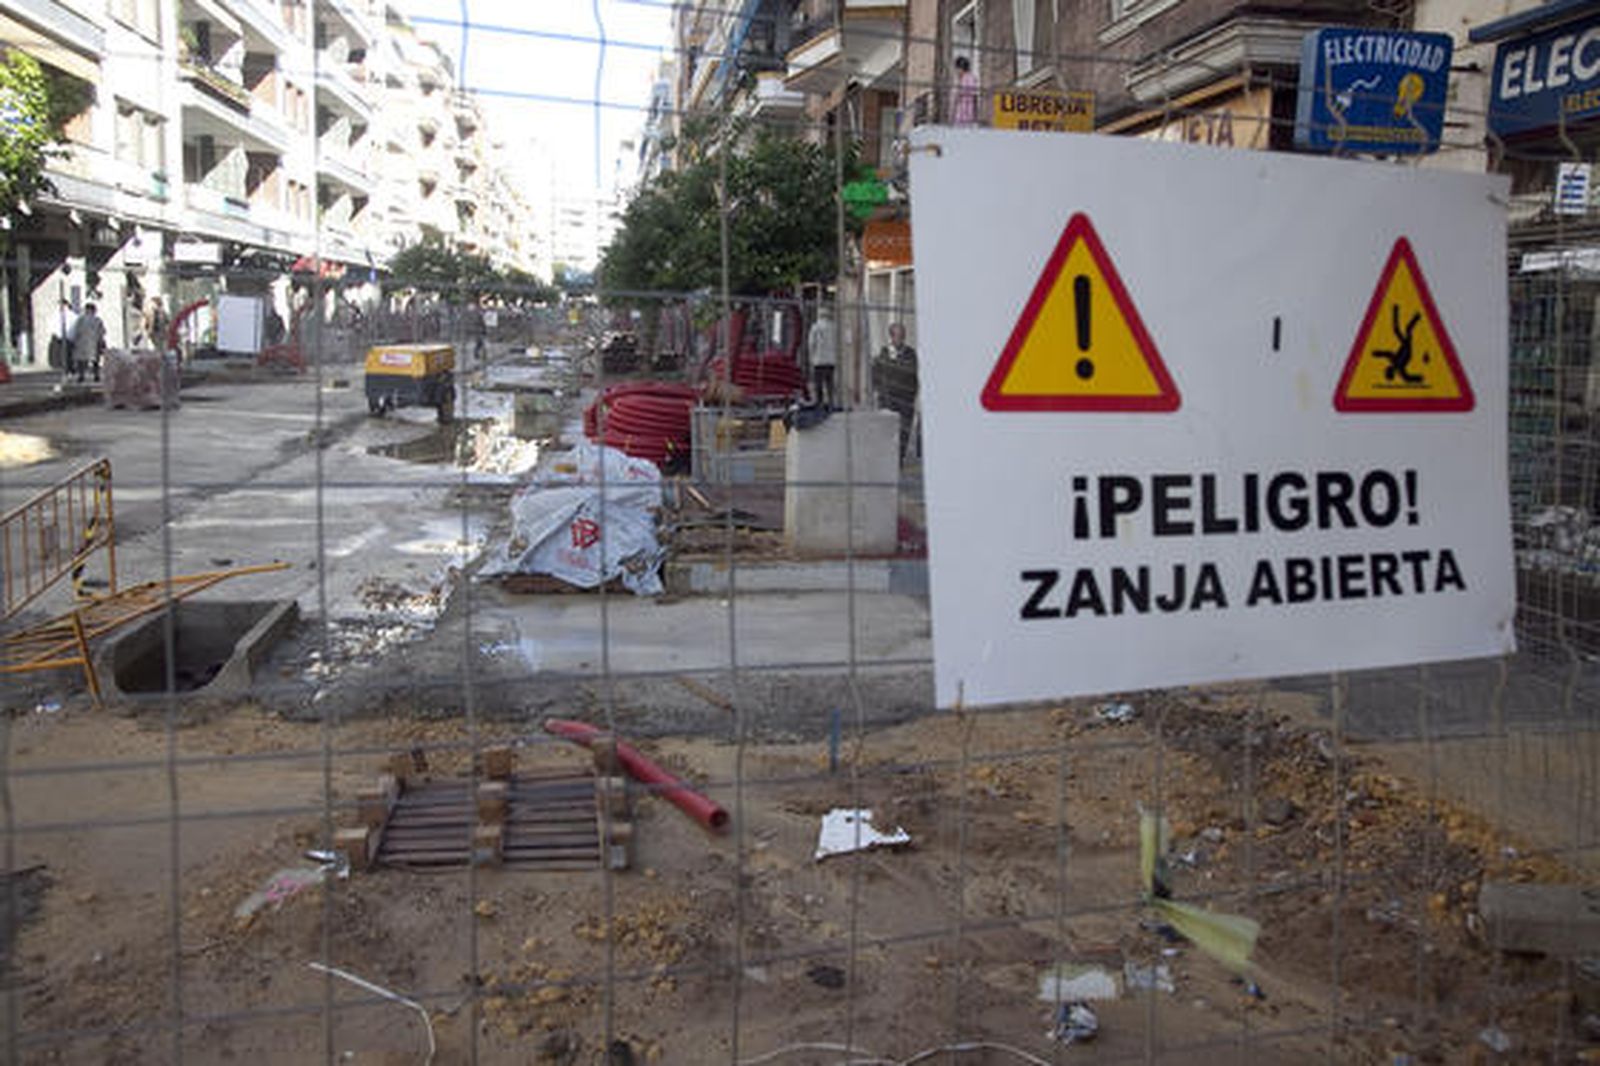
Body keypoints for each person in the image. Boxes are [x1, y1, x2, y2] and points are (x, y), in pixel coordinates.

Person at [873, 322, 920, 459]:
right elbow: (875, 374)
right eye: (898, 336)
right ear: (891, 337)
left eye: (902, 336)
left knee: (904, 431)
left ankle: (899, 458)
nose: (900, 339)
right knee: (887, 431)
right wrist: (880, 391)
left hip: (906, 399)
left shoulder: (910, 353)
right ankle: (889, 459)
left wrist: (912, 395)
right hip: (888, 399)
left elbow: (912, 371)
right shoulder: (883, 353)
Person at [808, 305, 837, 410]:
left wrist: (811, 357)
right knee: (830, 383)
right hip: (831, 360)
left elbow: (811, 344)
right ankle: (831, 403)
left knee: (818, 383)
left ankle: (819, 403)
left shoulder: (815, 327)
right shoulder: (833, 327)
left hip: (819, 360)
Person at [70, 302, 105, 384]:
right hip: (94, 342)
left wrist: (75, 341)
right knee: (95, 360)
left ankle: (81, 376)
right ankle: (96, 376)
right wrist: (101, 341)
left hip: (82, 342)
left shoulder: (80, 320)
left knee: (81, 361)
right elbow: (102, 332)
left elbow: (76, 331)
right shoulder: (97, 320)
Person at [952, 55, 979, 126]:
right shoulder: (963, 78)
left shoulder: (968, 78)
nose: (956, 71)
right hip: (963, 111)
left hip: (966, 111)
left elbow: (970, 92)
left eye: (957, 69)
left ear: (961, 68)